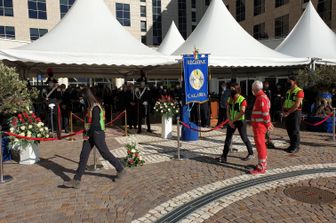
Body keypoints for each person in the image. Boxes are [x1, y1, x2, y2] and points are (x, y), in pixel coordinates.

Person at [63, 88, 125, 189]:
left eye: (81, 97)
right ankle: (76, 180)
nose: (80, 100)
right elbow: (88, 122)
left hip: (97, 133)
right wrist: (86, 133)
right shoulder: (90, 107)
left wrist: (87, 134)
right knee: (84, 155)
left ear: (86, 97)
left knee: (105, 153)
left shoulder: (95, 107)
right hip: (91, 134)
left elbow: (95, 124)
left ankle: (120, 169)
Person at [219, 83, 254, 163]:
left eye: (233, 89)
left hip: (240, 121)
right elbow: (227, 110)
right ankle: (224, 156)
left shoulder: (242, 99)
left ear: (237, 89)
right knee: (228, 139)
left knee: (244, 138)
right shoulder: (229, 99)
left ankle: (251, 153)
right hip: (231, 121)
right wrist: (229, 120)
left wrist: (233, 120)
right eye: (231, 89)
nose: (231, 91)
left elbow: (242, 112)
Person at [249, 81, 273, 175]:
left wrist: (268, 124)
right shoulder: (260, 97)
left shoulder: (261, 98)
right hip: (258, 126)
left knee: (260, 145)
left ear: (254, 89)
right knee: (260, 145)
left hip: (260, 126)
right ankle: (261, 164)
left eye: (252, 89)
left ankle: (261, 166)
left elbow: (265, 113)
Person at [283, 75, 304, 153]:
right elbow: (285, 101)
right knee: (289, 129)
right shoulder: (288, 91)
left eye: (289, 81)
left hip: (295, 112)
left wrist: (288, 112)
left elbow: (297, 105)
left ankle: (296, 146)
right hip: (287, 112)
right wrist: (283, 110)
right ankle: (291, 145)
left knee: (295, 130)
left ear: (294, 81)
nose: (288, 82)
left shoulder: (299, 91)